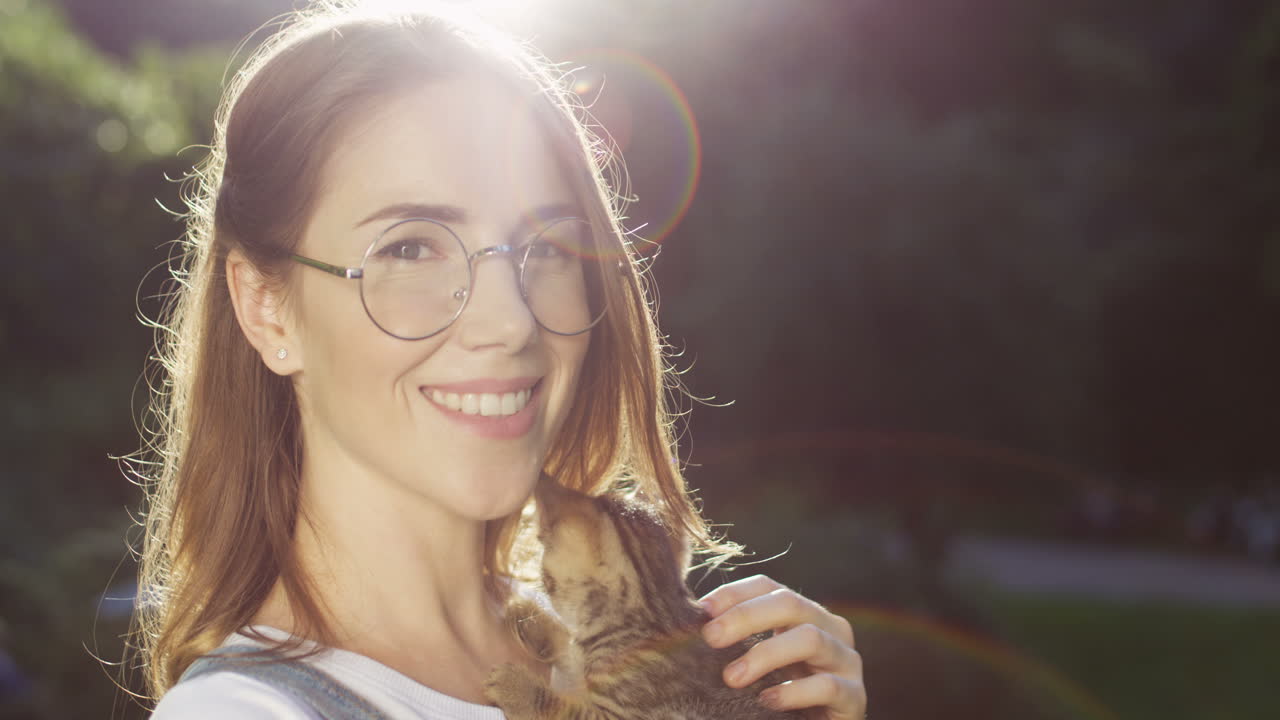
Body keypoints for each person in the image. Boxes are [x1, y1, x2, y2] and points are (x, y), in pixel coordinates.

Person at [136, 2, 866, 718]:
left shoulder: (640, 664)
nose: (511, 321)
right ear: (266, 307)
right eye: (411, 247)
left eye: (545, 247)